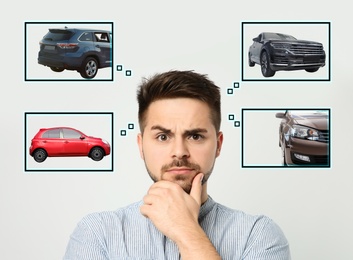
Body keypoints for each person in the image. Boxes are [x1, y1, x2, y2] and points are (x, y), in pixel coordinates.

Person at [63, 70, 291, 259]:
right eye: (163, 137)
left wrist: (186, 231)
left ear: (218, 145)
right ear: (141, 146)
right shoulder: (97, 233)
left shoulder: (259, 235)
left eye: (195, 136)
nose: (179, 152)